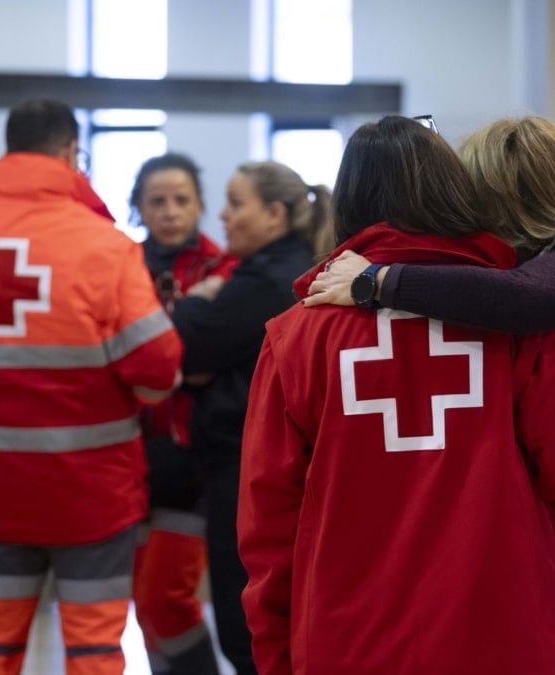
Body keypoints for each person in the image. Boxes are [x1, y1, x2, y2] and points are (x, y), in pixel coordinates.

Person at [238, 115, 555, 674]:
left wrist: (277, 659)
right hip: (512, 643)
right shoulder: (527, 327)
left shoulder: (293, 339)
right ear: (455, 194)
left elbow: (268, 530)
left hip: (347, 644)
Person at [0, 99, 183, 675]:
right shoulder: (104, 245)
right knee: (93, 649)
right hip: (92, 492)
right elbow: (159, 363)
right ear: (71, 153)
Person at [169, 160, 332, 675]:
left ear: (275, 213)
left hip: (246, 465)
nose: (223, 214)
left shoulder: (268, 279)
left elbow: (187, 346)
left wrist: (194, 302)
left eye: (236, 203)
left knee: (248, 621)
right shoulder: (277, 268)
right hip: (247, 461)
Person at [128, 152, 236, 675]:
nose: (170, 212)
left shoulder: (225, 266)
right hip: (124, 457)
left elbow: (192, 362)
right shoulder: (116, 266)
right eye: (157, 201)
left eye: (181, 200)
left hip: (190, 459)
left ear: (199, 205)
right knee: (146, 607)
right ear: (139, 209)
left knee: (164, 600)